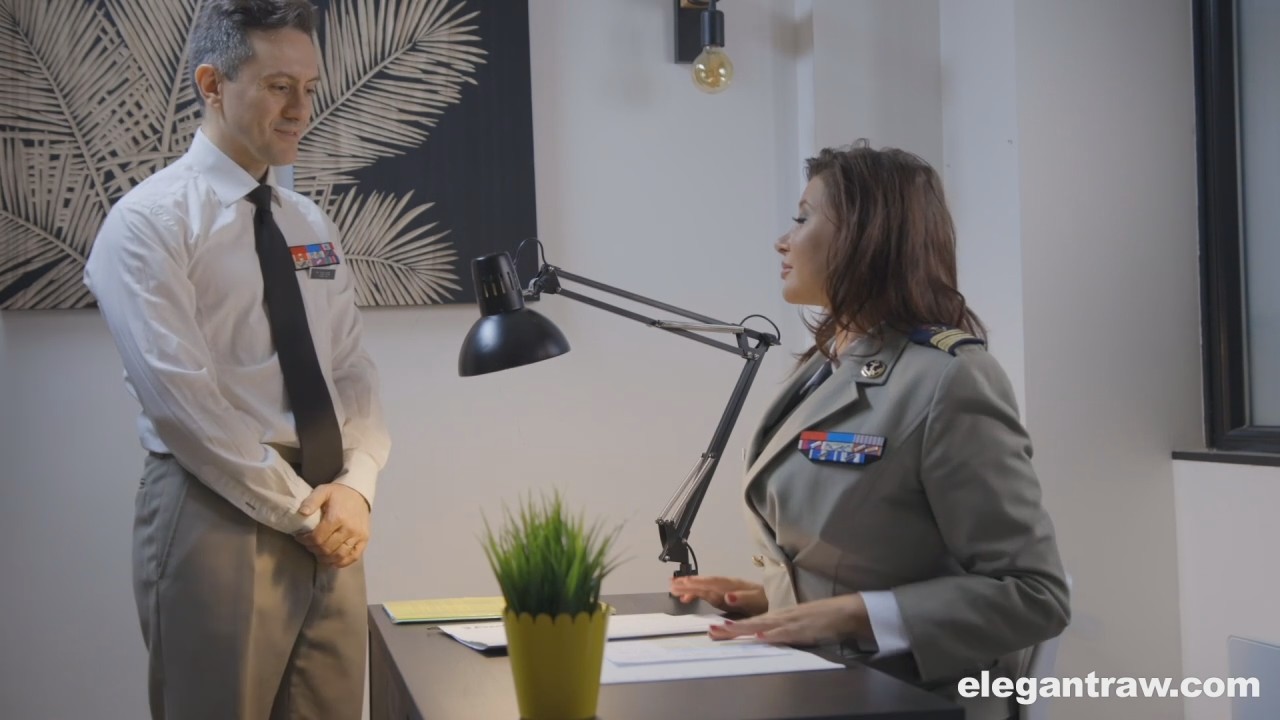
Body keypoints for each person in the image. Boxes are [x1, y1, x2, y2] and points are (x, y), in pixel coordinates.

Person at [670, 141, 1069, 720]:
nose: (782, 240)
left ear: (866, 236)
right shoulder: (825, 365)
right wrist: (774, 599)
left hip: (912, 700)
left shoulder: (948, 379)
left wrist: (851, 614)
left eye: (803, 219)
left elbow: (1034, 594)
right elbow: (868, 560)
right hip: (818, 681)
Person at [83, 1, 390, 718]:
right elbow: (182, 404)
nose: (300, 109)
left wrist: (358, 486)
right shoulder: (148, 223)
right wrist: (302, 511)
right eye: (280, 86)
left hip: (332, 511)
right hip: (218, 509)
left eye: (309, 88)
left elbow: (351, 369)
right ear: (212, 84)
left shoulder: (309, 223)